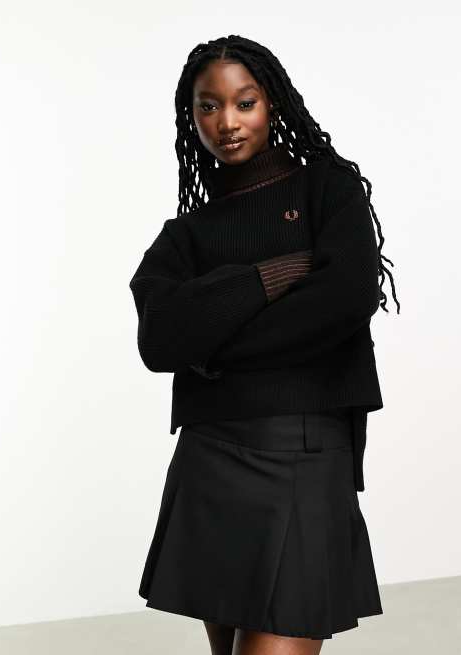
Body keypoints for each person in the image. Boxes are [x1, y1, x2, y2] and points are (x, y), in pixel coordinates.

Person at [128, 34, 401, 655]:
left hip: (304, 451)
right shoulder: (185, 236)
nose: (227, 122)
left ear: (271, 103)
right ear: (191, 117)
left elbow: (344, 302)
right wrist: (268, 278)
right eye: (208, 106)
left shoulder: (327, 190)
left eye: (244, 102)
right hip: (210, 456)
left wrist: (212, 346)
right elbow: (159, 340)